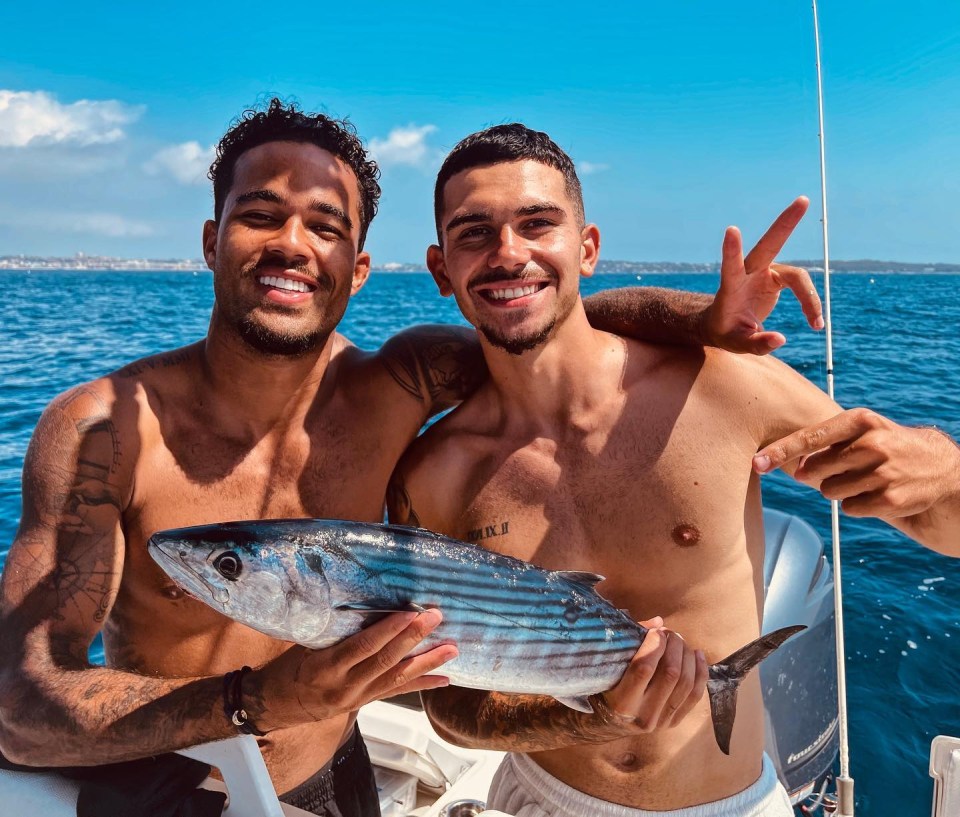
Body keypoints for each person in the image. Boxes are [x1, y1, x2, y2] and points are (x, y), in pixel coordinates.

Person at [0, 100, 823, 817]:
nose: (292, 244)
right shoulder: (103, 430)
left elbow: (540, 315)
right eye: (260, 214)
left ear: (357, 268)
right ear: (213, 238)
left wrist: (704, 320)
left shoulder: (396, 383)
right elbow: (21, 709)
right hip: (174, 787)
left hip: (336, 776)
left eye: (324, 226)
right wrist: (260, 698)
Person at [387, 124, 960, 817]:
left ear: (588, 248)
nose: (509, 253)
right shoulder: (434, 474)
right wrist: (589, 717)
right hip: (538, 798)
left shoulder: (723, 387)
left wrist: (944, 466)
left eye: (538, 223)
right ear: (442, 267)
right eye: (474, 232)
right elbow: (449, 704)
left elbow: (937, 519)